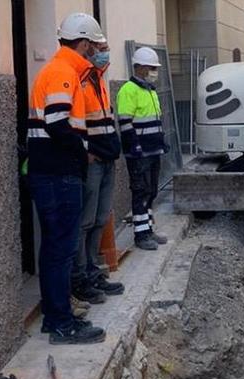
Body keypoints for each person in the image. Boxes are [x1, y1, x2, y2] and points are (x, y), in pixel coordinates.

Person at [26, 12, 106, 344]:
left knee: (54, 248)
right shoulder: (63, 72)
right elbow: (58, 122)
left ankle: (55, 317)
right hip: (59, 175)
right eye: (94, 46)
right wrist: (83, 149)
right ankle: (61, 322)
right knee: (61, 249)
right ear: (84, 43)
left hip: (50, 174)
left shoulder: (58, 70)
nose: (96, 52)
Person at [70, 25, 125, 304]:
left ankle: (92, 269)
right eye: (101, 50)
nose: (105, 54)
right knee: (86, 220)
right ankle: (81, 276)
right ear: (89, 49)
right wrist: (87, 153)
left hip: (106, 158)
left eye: (106, 49)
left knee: (101, 218)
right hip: (92, 161)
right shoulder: (80, 81)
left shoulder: (98, 81)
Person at [117, 47, 169, 251]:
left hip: (152, 150)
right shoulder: (128, 90)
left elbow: (154, 120)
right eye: (151, 67)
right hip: (139, 153)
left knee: (151, 190)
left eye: (155, 68)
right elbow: (125, 122)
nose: (154, 71)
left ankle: (147, 228)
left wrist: (161, 142)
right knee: (140, 191)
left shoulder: (149, 90)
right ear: (139, 67)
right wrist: (134, 146)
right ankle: (141, 235)